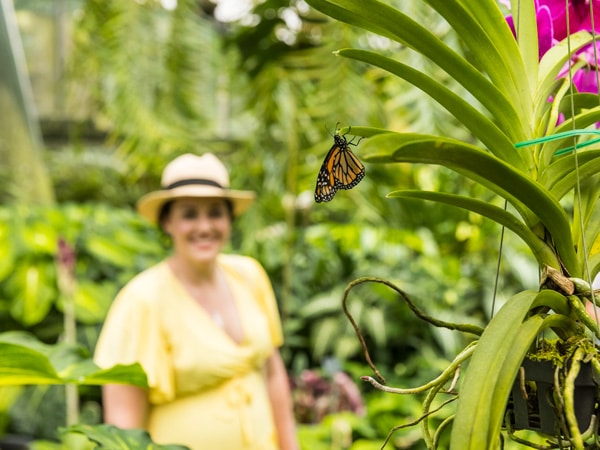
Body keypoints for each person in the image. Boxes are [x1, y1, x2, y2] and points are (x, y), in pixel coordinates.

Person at [94, 153, 299, 450]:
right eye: (189, 214)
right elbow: (123, 423)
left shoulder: (249, 275)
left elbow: (272, 373)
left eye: (215, 213)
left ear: (230, 219)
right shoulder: (142, 299)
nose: (204, 227)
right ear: (168, 222)